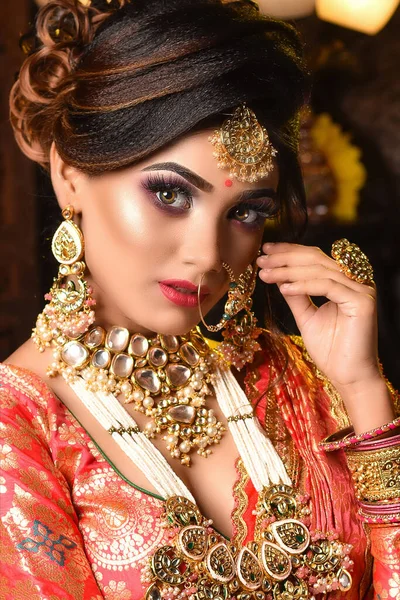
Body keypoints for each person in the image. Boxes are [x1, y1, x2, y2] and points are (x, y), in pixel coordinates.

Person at [1, 0, 399, 598]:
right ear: (70, 174)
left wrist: (364, 392)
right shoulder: (20, 429)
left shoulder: (306, 379)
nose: (207, 254)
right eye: (169, 194)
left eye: (245, 212)